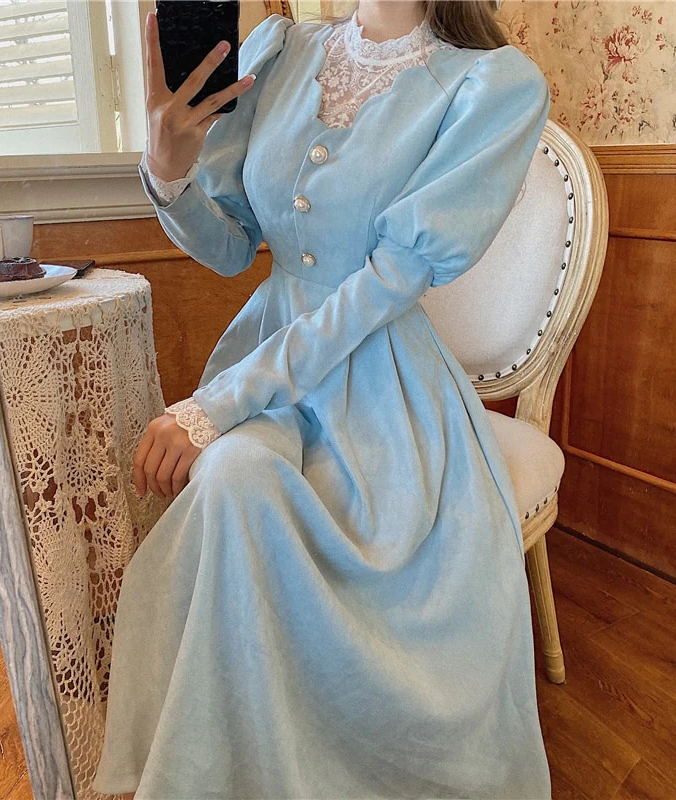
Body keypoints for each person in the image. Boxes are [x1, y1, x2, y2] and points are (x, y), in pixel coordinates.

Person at [92, 0, 553, 797]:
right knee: (234, 480)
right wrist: (169, 173)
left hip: (383, 384)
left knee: (274, 501)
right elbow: (231, 246)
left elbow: (387, 285)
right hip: (270, 362)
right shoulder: (279, 50)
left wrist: (216, 406)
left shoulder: (494, 84)